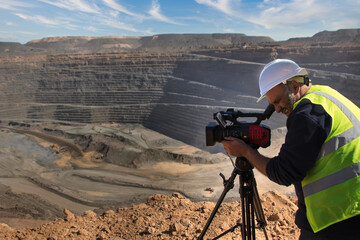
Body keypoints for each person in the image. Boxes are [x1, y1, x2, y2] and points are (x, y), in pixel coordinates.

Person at [221, 59, 360, 240]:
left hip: (339, 216)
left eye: (278, 101)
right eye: (272, 105)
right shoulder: (326, 95)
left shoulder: (307, 114)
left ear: (294, 86)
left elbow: (284, 172)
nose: (277, 110)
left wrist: (246, 152)